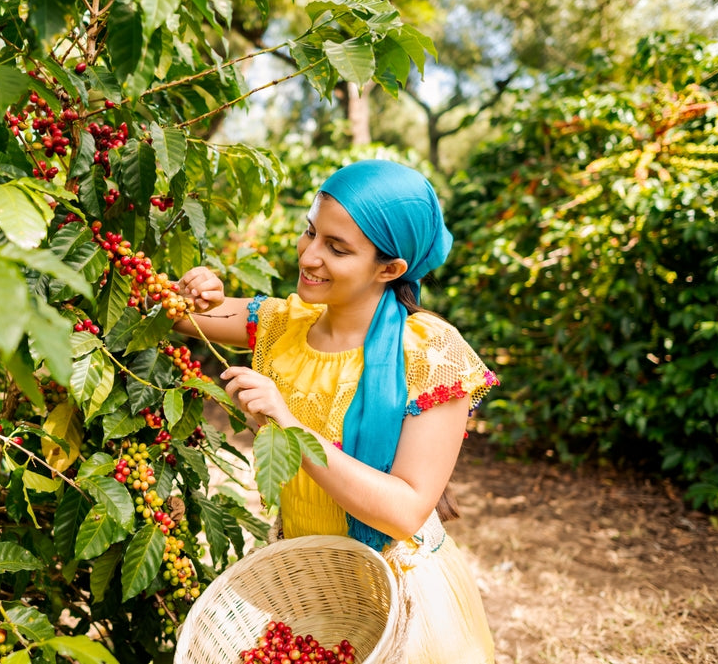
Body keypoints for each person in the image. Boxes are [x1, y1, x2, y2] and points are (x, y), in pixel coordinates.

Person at [173, 160, 499, 664]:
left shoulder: (433, 354)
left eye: (337, 248)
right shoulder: (284, 324)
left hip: (396, 595)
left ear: (390, 269)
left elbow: (406, 510)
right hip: (309, 588)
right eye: (311, 233)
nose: (310, 255)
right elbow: (178, 311)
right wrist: (197, 290)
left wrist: (291, 426)